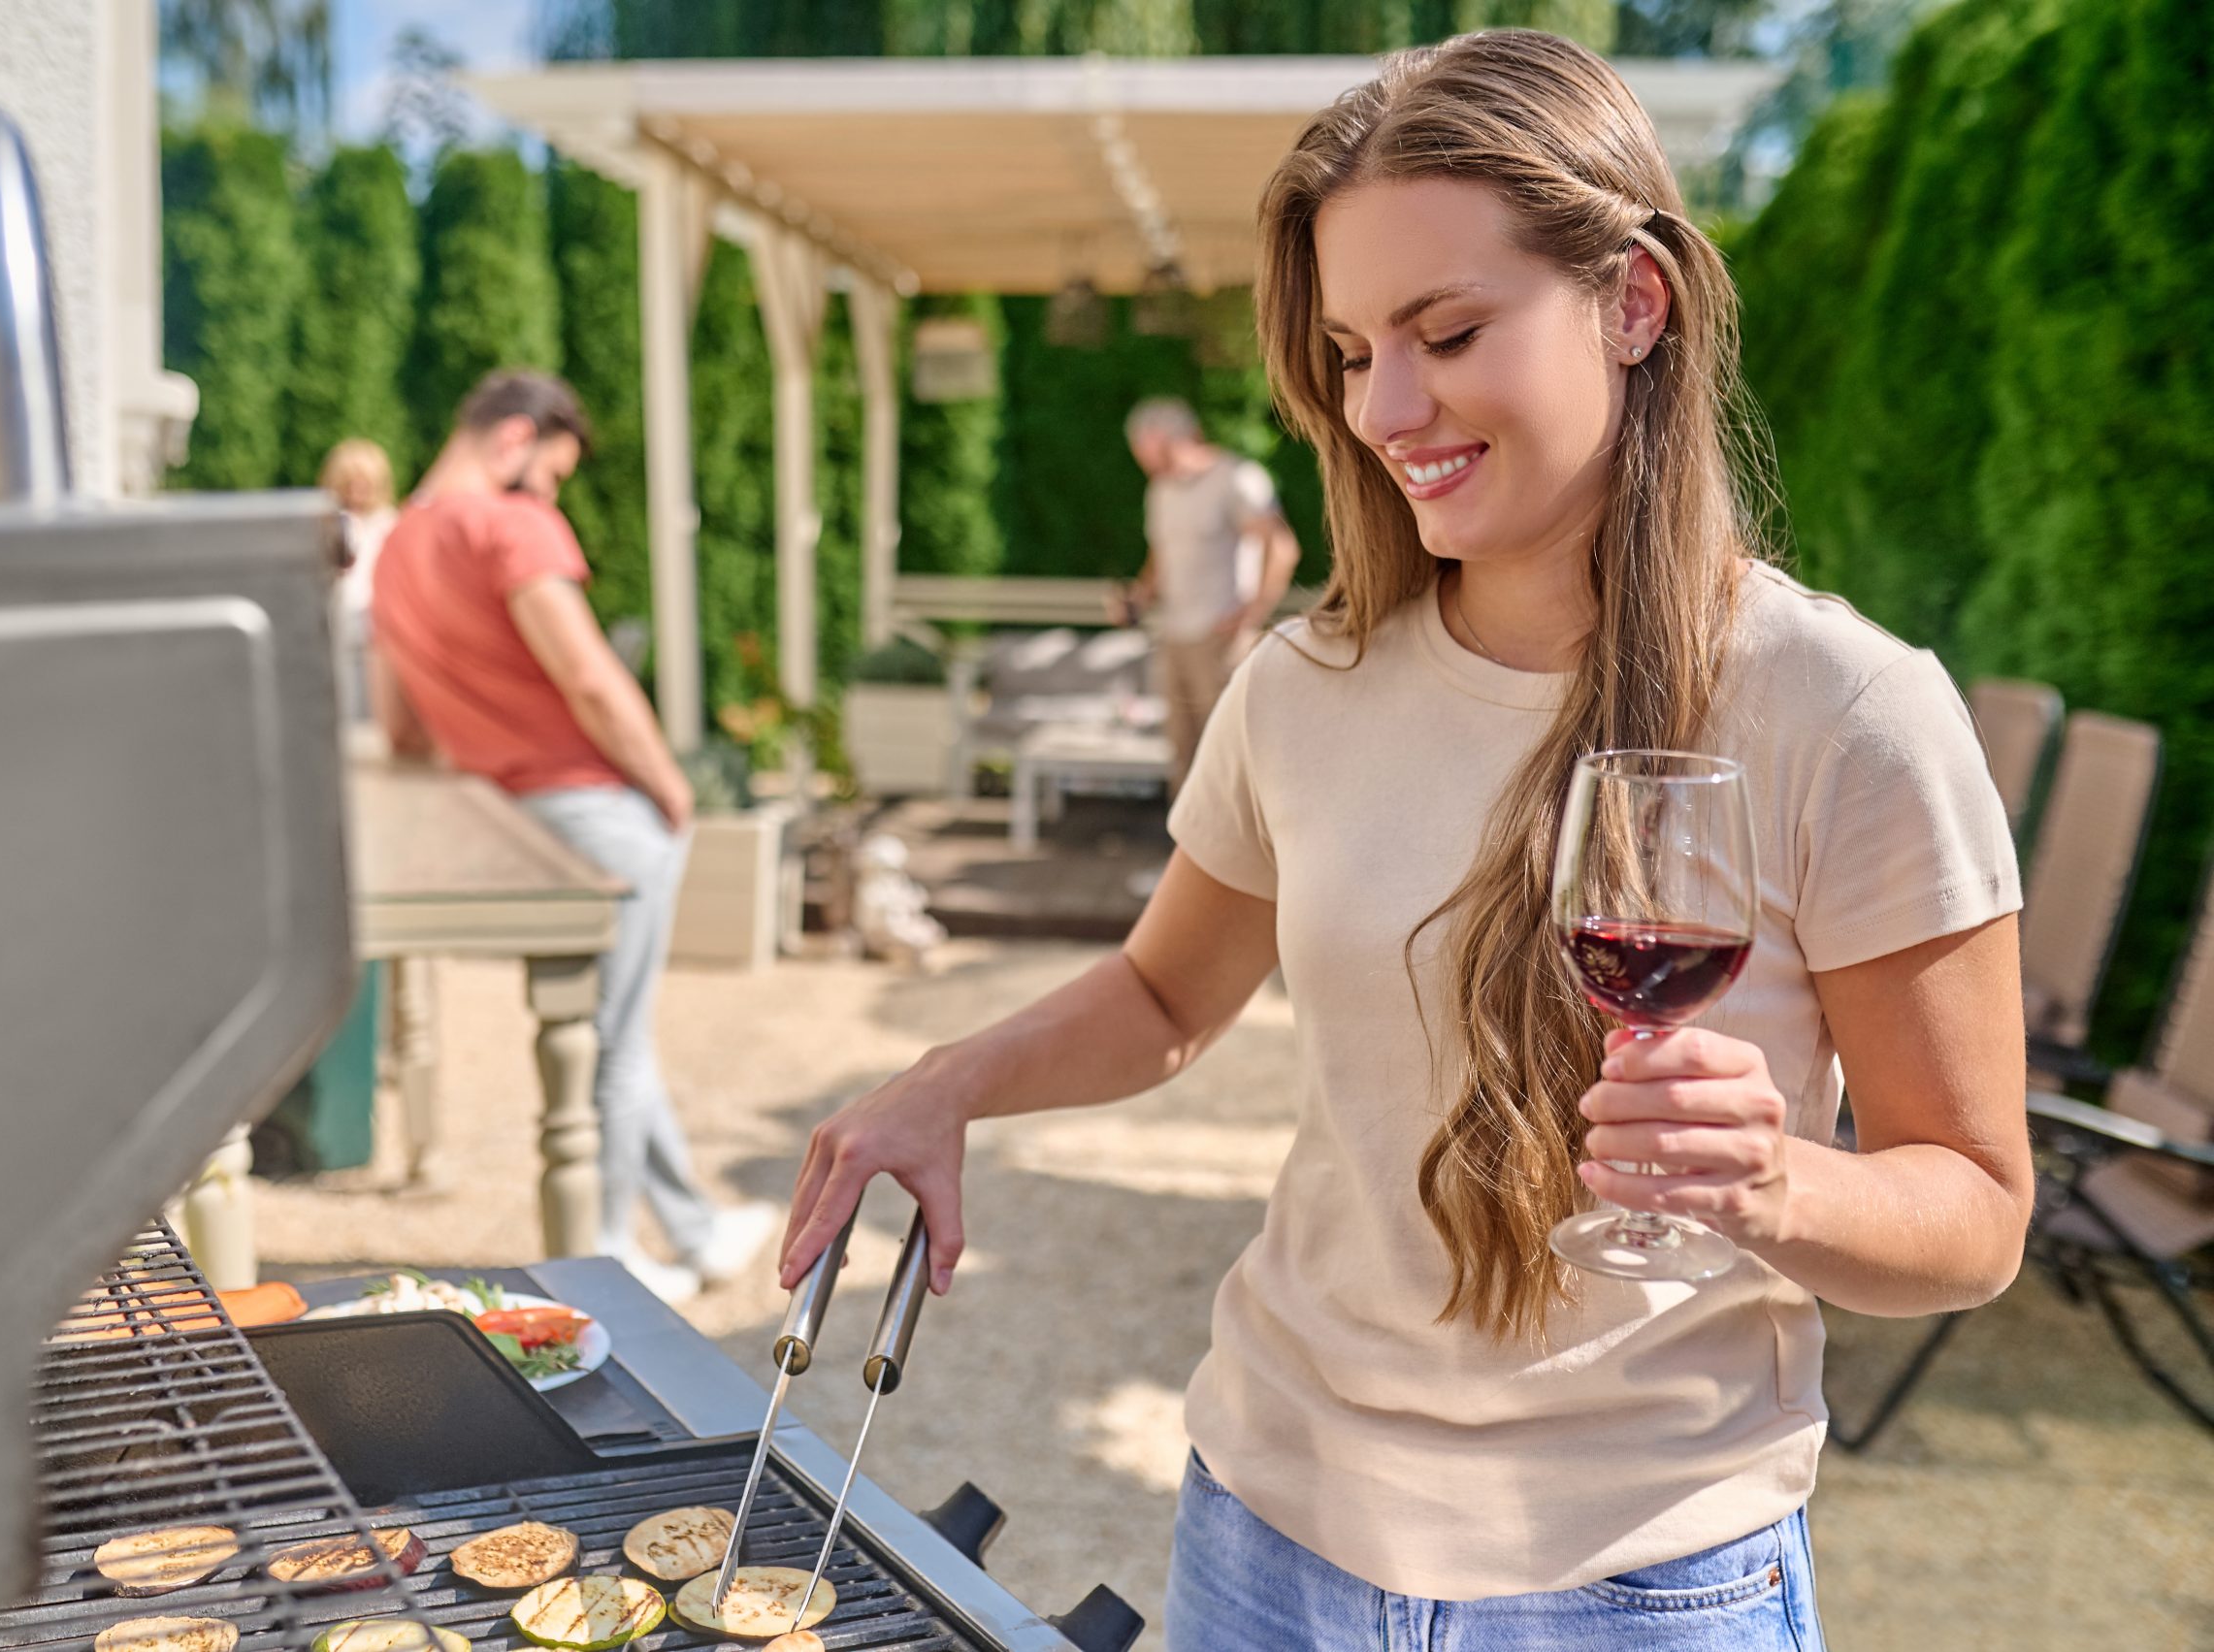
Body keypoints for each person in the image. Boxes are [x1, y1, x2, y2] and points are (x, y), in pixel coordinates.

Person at [779, 31, 2030, 1650]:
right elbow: (1164, 997)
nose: (1386, 406)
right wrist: (946, 1081)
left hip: (1640, 1587)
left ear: (1635, 302)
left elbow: (1976, 1210)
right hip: (1262, 1541)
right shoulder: (1304, 684)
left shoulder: (1847, 708)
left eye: (1448, 333)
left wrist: (1771, 1181)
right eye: (1353, 348)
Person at [370, 370, 776, 1305]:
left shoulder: (392, 549)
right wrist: (671, 786)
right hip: (599, 814)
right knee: (613, 1044)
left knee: (613, 1031)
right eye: (552, 474)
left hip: (512, 823)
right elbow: (589, 676)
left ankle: (696, 1230)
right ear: (516, 437)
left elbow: (400, 729)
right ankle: (609, 1261)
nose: (552, 496)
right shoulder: (512, 526)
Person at [1117, 398, 1301, 793]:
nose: (1149, 465)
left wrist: (1253, 614)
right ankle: (1184, 835)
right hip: (1174, 637)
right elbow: (1162, 556)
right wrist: (1139, 597)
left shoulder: (1236, 479)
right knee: (1183, 756)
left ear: (1182, 438)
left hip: (1220, 639)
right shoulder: (1160, 489)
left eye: (1156, 453)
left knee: (1228, 756)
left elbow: (1282, 547)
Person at [319, 437, 400, 723]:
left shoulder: (390, 523)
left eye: (365, 482)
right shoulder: (328, 522)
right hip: (336, 625)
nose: (357, 490)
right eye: (350, 482)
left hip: (377, 628)